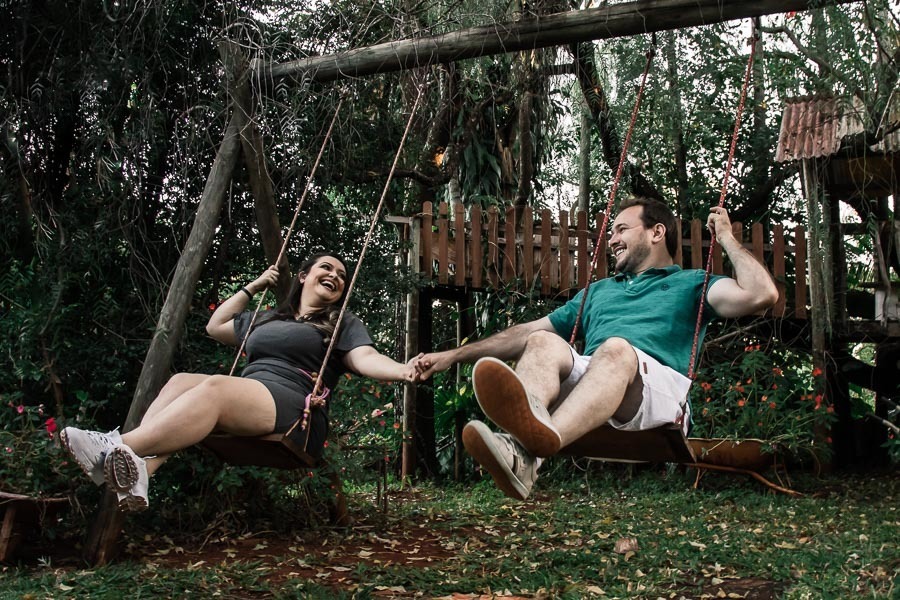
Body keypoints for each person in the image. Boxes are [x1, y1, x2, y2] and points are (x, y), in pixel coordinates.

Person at [415, 197, 779, 501]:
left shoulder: (692, 284)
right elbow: (525, 331)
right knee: (541, 341)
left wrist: (726, 237)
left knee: (616, 349)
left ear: (657, 232)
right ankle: (521, 455)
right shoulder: (599, 291)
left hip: (657, 395)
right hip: (597, 381)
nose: (612, 239)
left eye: (621, 229)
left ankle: (541, 444)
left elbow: (761, 295)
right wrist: (453, 355)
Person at [60, 253, 419, 511]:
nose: (335, 276)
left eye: (341, 275)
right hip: (251, 396)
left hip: (294, 408)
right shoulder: (268, 318)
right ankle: (144, 470)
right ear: (303, 276)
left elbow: (365, 357)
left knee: (215, 388)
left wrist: (402, 369)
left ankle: (114, 445)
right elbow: (215, 326)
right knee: (182, 381)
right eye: (326, 268)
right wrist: (256, 285)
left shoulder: (342, 323)